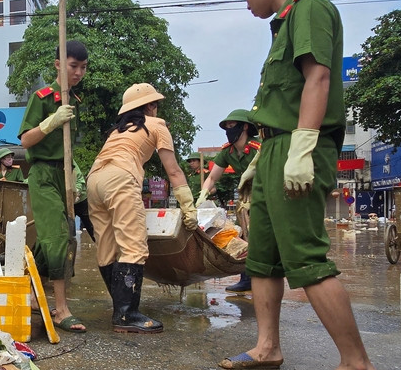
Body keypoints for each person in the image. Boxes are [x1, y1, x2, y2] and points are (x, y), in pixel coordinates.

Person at [221, 0, 382, 370]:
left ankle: (358, 365)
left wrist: (303, 146)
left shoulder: (310, 9)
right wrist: (262, 159)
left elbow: (318, 79)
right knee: (264, 256)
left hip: (298, 144)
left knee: (305, 257)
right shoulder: (283, 26)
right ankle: (267, 346)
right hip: (275, 146)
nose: (247, 4)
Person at [88, 83, 197, 333]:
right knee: (133, 245)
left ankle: (121, 309)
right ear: (149, 106)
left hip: (95, 180)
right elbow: (173, 170)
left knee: (107, 246)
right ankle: (127, 315)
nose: (157, 109)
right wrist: (188, 208)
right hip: (121, 178)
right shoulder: (157, 125)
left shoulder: (117, 131)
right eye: (155, 104)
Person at [18, 40, 89, 333]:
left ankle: (32, 293)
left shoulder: (75, 102)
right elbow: (24, 140)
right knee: (60, 235)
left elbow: (69, 149)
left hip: (64, 175)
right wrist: (50, 122)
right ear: (59, 64)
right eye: (73, 66)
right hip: (43, 174)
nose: (78, 73)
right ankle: (61, 309)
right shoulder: (42, 97)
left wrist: (76, 176)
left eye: (83, 68)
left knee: (51, 238)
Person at [198, 108, 261, 292]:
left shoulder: (259, 148)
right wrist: (203, 193)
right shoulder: (228, 151)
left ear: (245, 128)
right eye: (227, 127)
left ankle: (266, 276)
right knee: (244, 235)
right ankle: (247, 277)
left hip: (264, 191)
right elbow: (212, 178)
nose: (229, 130)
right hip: (246, 195)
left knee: (261, 236)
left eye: (233, 126)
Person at [72, 160, 95, 242]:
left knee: (93, 229)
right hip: (66, 204)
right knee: (67, 233)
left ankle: (106, 251)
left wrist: (77, 193)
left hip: (81, 200)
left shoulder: (70, 162)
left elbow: (79, 180)